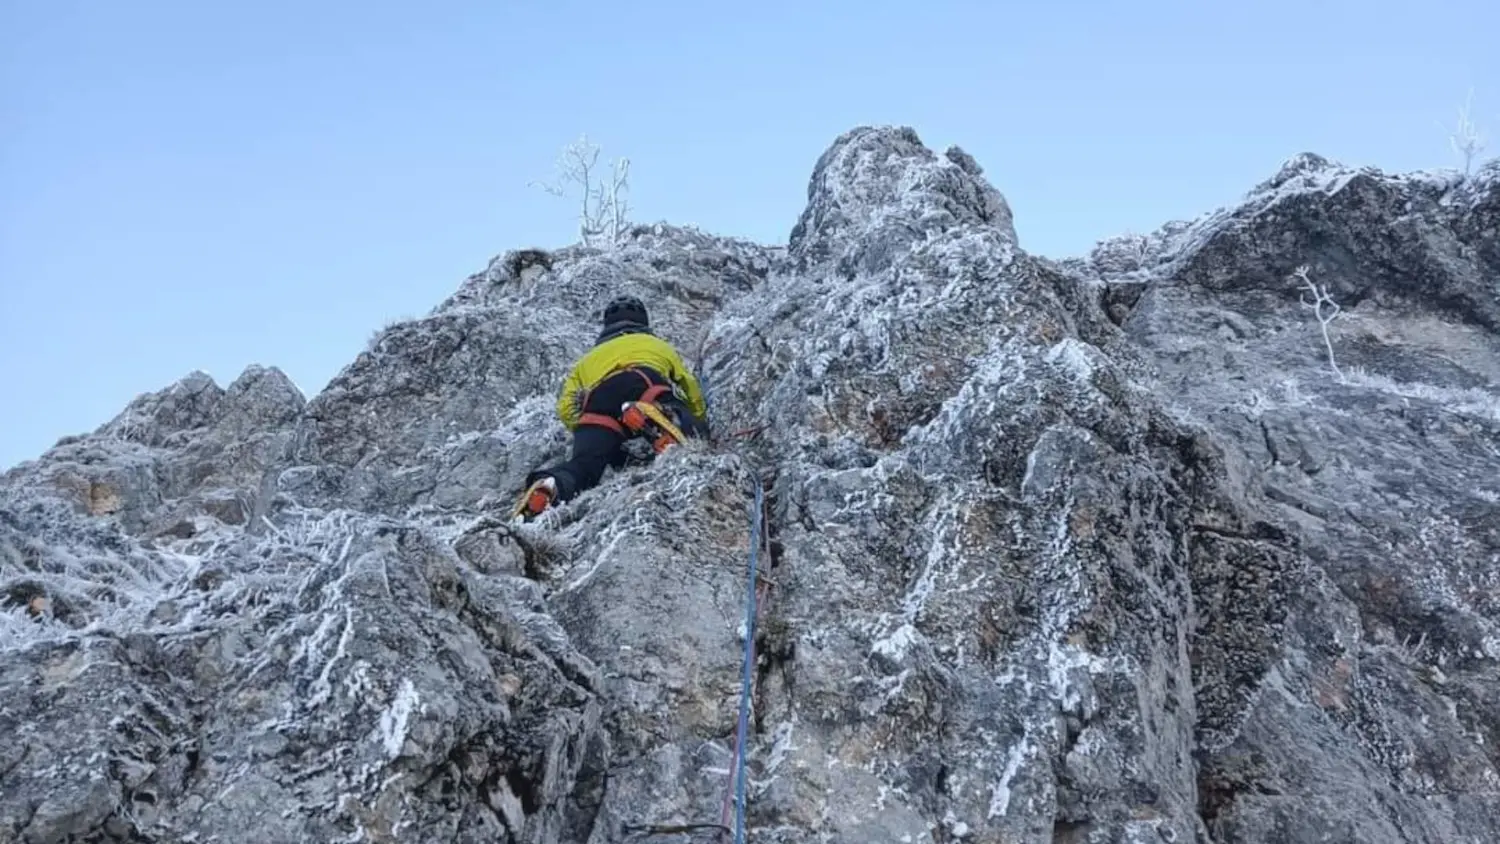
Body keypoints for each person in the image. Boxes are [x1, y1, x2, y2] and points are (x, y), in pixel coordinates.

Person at [516, 295, 710, 520]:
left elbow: (566, 407)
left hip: (597, 403)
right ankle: (660, 417)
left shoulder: (586, 360)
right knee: (687, 424)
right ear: (643, 323)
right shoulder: (658, 346)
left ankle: (552, 485)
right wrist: (696, 417)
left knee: (585, 467)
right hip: (642, 383)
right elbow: (689, 384)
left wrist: (587, 431)